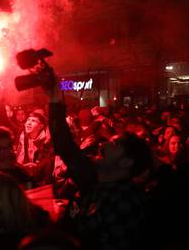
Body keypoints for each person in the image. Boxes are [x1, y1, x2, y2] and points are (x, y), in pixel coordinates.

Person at [43, 65, 152, 250]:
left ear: (127, 162)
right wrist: (54, 97)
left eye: (114, 144)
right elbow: (65, 146)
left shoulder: (127, 201)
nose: (104, 144)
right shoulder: (93, 179)